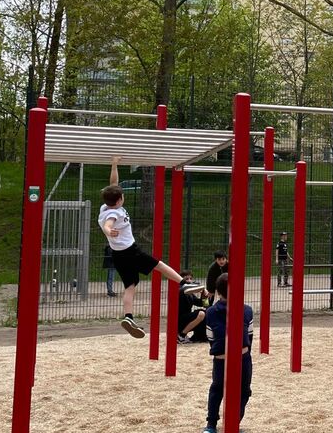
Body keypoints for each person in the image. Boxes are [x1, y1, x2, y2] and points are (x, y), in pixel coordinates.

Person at [98, 156, 203, 338]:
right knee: (159, 265)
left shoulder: (105, 207)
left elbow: (113, 183)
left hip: (117, 255)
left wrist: (114, 164)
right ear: (120, 199)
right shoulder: (114, 213)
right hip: (131, 252)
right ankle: (184, 284)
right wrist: (108, 231)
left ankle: (128, 317)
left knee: (130, 286)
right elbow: (109, 223)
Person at [203, 272, 253, 433]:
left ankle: (211, 424)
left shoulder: (210, 312)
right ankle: (234, 421)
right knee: (244, 390)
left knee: (217, 390)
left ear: (218, 291)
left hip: (220, 358)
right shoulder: (246, 310)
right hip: (242, 356)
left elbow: (210, 336)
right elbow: (250, 335)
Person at [178, 271, 208, 343]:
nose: (189, 281)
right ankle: (181, 335)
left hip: (186, 318)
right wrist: (199, 287)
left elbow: (204, 304)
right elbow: (183, 290)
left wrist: (204, 296)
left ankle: (199, 336)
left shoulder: (190, 294)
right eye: (186, 279)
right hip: (178, 320)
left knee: (205, 312)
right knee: (201, 314)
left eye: (190, 279)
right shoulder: (179, 290)